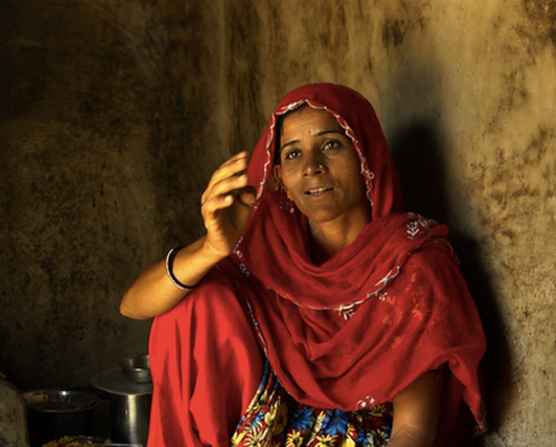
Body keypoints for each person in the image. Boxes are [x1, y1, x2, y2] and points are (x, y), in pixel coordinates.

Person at [120, 83, 486, 447]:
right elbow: (135, 305)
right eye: (293, 154)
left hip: (366, 440)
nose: (312, 167)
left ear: (365, 156)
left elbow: (411, 432)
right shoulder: (269, 249)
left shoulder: (411, 266)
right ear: (278, 177)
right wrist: (210, 249)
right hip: (270, 431)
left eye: (330, 145)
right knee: (195, 302)